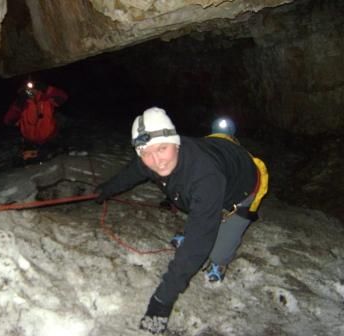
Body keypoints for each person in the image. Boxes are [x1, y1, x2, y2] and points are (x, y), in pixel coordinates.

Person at [95, 107, 268, 334]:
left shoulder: (205, 176)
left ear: (176, 143)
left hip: (245, 185)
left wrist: (162, 302)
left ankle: (221, 259)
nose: (156, 160)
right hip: (217, 156)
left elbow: (197, 245)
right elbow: (132, 173)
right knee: (191, 202)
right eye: (146, 152)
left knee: (213, 251)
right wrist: (106, 190)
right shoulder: (151, 158)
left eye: (162, 149)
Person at [3, 79, 68, 163]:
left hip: (50, 139)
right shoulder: (21, 104)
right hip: (30, 143)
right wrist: (20, 101)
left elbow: (63, 97)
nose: (31, 91)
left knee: (55, 161)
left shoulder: (46, 99)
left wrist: (45, 88)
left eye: (33, 88)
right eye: (27, 90)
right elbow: (9, 120)